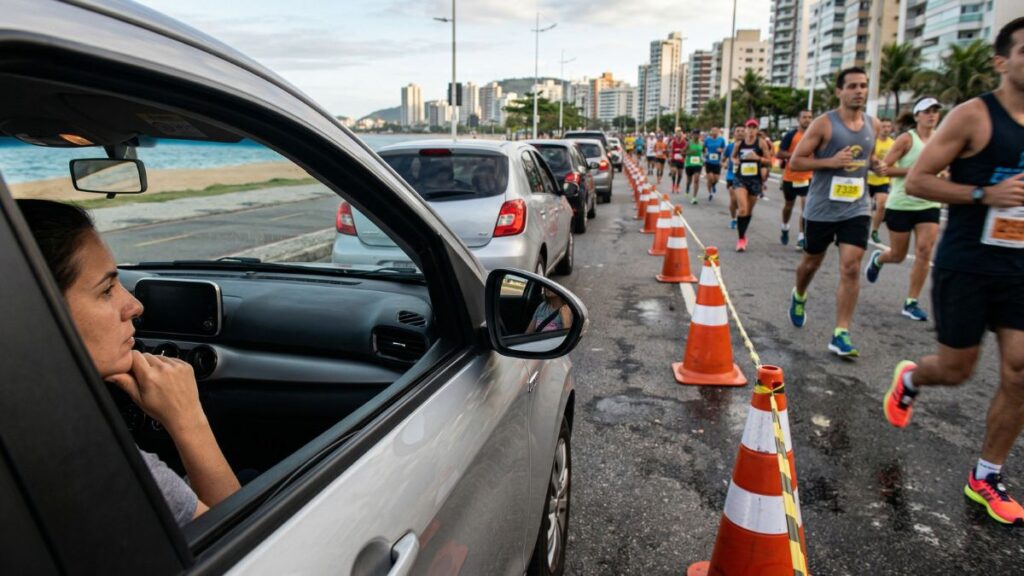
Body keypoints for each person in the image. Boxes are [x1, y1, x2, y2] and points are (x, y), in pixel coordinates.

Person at [17, 199, 241, 526]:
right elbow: (236, 544)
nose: (134, 306)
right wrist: (188, 421)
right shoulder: (96, 460)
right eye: (106, 289)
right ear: (37, 311)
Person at [883, 18, 1024, 525]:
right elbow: (919, 181)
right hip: (967, 263)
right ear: (1001, 61)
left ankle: (985, 475)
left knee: (1020, 368)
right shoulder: (972, 117)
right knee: (958, 369)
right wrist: (986, 194)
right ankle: (913, 378)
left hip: (1020, 265)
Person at [787, 66, 884, 357]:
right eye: (852, 86)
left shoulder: (874, 124)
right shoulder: (824, 124)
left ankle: (841, 332)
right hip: (821, 209)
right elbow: (797, 161)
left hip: (856, 208)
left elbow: (870, 156)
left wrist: (876, 164)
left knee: (851, 267)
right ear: (839, 91)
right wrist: (830, 162)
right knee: (810, 264)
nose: (859, 91)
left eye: (863, 86)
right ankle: (799, 294)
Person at [864, 98, 943, 321]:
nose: (932, 115)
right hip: (901, 203)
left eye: (935, 111)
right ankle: (879, 259)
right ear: (917, 116)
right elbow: (884, 170)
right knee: (898, 255)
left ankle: (911, 302)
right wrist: (917, 171)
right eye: (927, 111)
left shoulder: (941, 139)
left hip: (929, 203)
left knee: (924, 252)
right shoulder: (907, 140)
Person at [730, 119, 772, 252]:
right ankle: (741, 239)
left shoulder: (761, 143)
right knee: (742, 209)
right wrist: (735, 161)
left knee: (748, 211)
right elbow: (733, 157)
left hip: (755, 180)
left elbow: (769, 161)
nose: (751, 130)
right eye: (750, 127)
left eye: (754, 128)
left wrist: (757, 158)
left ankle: (743, 235)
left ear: (757, 130)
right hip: (740, 178)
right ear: (746, 129)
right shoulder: (739, 144)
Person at [778, 110, 814, 249]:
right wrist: (796, 155)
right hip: (791, 177)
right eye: (804, 117)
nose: (807, 120)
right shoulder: (791, 135)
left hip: (808, 177)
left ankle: (801, 236)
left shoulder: (815, 135)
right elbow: (779, 153)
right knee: (789, 206)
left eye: (810, 117)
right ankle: (785, 227)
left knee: (806, 206)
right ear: (799, 119)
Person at [868, 118, 896, 243]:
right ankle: (861, 229)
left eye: (888, 127)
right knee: (864, 208)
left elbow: (894, 164)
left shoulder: (893, 143)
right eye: (883, 126)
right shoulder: (872, 141)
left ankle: (874, 231)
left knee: (882, 206)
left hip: (883, 180)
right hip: (867, 179)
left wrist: (892, 180)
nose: (886, 129)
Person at [725, 126, 744, 229]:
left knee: (741, 201)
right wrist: (724, 163)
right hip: (731, 175)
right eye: (738, 131)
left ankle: (741, 216)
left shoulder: (749, 147)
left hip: (745, 176)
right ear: (734, 134)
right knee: (733, 199)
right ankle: (733, 219)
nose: (740, 133)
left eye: (742, 131)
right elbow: (723, 159)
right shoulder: (730, 146)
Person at [704, 127, 726, 201]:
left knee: (716, 179)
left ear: (718, 132)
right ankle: (710, 193)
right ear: (711, 132)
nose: (714, 132)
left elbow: (724, 149)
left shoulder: (721, 140)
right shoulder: (707, 139)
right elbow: (704, 148)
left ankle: (713, 185)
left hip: (717, 162)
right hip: (709, 161)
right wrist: (705, 153)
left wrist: (721, 150)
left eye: (716, 131)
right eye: (713, 131)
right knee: (710, 177)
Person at [684, 128, 704, 204]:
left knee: (696, 179)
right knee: (689, 180)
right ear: (692, 135)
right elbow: (682, 152)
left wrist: (703, 158)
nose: (696, 135)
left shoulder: (701, 143)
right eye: (695, 134)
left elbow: (704, 152)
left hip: (698, 164)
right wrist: (689, 152)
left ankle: (694, 197)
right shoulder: (689, 143)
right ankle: (687, 188)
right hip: (689, 164)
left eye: (698, 134)